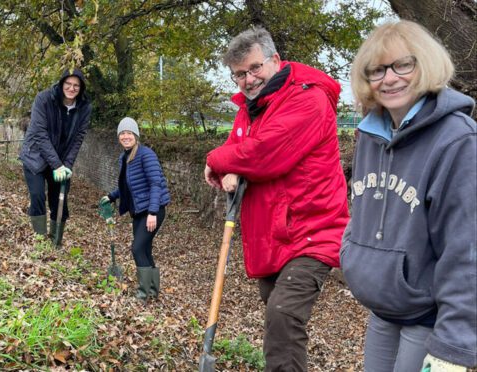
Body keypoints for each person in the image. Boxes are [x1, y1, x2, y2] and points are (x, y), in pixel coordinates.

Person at [204, 26, 349, 371]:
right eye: (240, 74)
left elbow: (263, 154)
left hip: (313, 230)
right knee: (277, 316)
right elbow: (236, 145)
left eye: (255, 68)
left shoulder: (306, 100)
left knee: (282, 315)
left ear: (275, 61)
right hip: (275, 234)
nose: (249, 79)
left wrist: (216, 161)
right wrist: (226, 163)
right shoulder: (252, 109)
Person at [340, 20, 477, 372]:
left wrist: (454, 344)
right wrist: (351, 251)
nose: (389, 78)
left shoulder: (456, 141)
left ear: (425, 64)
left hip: (428, 316)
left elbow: (466, 248)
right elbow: (363, 210)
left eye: (403, 64)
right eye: (377, 69)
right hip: (383, 309)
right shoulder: (371, 133)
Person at [99, 117, 170, 303]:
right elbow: (128, 186)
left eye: (129, 133)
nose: (125, 136)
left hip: (153, 210)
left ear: (136, 135)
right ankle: (153, 292)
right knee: (145, 249)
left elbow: (156, 183)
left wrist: (153, 212)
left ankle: (142, 294)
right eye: (122, 133)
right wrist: (112, 196)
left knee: (137, 248)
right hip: (138, 211)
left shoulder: (146, 155)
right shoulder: (125, 157)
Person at [19, 68, 92, 246]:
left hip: (60, 161)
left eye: (76, 85)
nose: (72, 88)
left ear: (81, 88)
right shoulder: (44, 99)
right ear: (61, 84)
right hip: (35, 156)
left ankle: (56, 241)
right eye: (68, 84)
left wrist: (66, 165)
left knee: (59, 200)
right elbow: (39, 133)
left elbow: (79, 137)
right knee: (37, 196)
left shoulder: (84, 107)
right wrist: (57, 164)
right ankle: (40, 239)